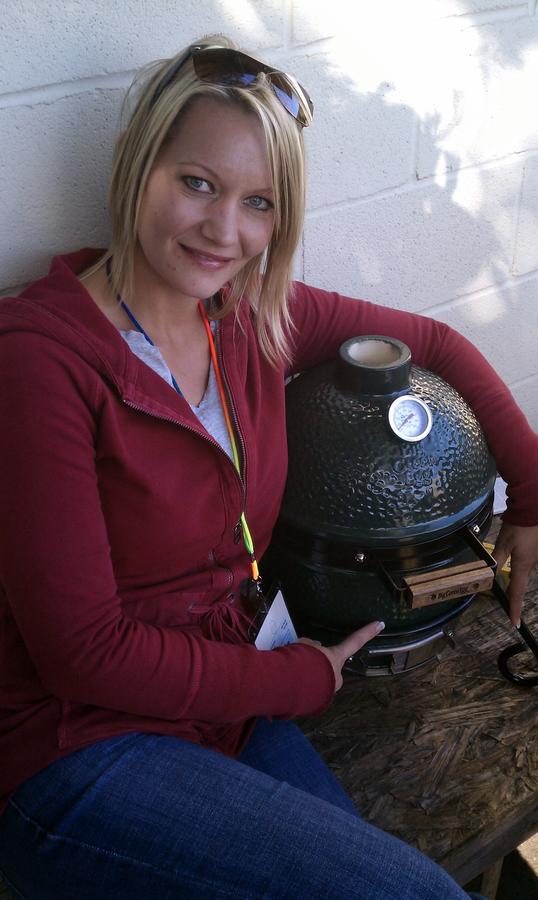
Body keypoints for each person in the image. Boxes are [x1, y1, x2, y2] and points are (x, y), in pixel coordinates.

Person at [0, 35, 536, 900]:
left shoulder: (251, 316)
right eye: (196, 183)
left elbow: (433, 342)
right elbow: (83, 655)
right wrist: (297, 677)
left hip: (225, 704)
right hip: (79, 747)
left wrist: (532, 492)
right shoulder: (40, 362)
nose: (225, 230)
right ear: (138, 162)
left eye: (259, 202)